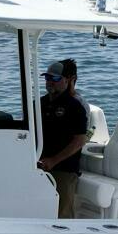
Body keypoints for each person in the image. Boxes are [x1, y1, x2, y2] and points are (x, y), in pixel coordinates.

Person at [36, 60, 88, 218]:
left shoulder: (75, 106)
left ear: (67, 80)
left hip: (64, 169)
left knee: (62, 214)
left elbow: (80, 140)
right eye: (47, 78)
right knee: (38, 210)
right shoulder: (39, 103)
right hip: (39, 166)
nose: (50, 82)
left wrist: (53, 160)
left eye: (56, 78)